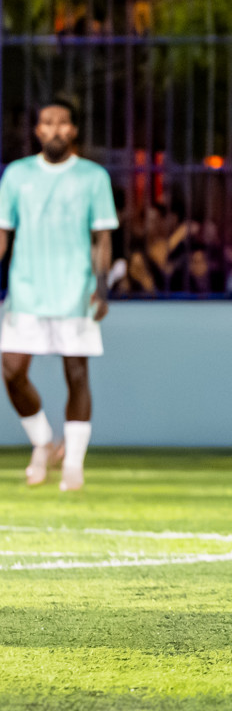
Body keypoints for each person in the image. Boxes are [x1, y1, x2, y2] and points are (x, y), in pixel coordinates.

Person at [0, 99, 118, 491]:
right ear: (37, 130)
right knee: (12, 371)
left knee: (77, 373)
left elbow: (102, 237)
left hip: (75, 291)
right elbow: (4, 233)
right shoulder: (16, 176)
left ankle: (74, 465)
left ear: (73, 130)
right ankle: (42, 443)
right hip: (26, 289)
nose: (54, 129)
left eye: (62, 122)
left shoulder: (93, 177)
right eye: (47, 122)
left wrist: (101, 289)